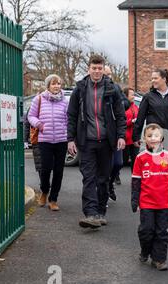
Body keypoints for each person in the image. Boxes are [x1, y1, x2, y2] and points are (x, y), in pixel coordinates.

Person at [67, 54, 126, 229]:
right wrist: (70, 139)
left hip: (107, 141)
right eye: (94, 68)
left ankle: (101, 212)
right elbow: (72, 115)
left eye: (100, 68)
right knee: (89, 177)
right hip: (87, 141)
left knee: (103, 178)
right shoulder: (80, 89)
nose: (97, 71)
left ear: (103, 69)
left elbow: (120, 115)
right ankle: (91, 213)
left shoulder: (112, 89)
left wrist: (121, 136)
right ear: (89, 69)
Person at [131, 123, 168, 271]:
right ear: (144, 138)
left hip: (164, 203)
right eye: (149, 136)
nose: (153, 138)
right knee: (146, 231)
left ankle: (159, 259)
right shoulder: (140, 158)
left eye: (156, 135)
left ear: (162, 138)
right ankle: (145, 251)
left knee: (162, 232)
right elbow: (136, 181)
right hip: (146, 203)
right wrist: (135, 200)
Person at [28, 74, 69, 211]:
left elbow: (69, 119)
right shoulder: (38, 99)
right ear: (48, 86)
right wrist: (39, 124)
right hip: (44, 140)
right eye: (53, 83)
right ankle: (44, 191)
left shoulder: (65, 101)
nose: (57, 86)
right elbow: (30, 116)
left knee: (59, 171)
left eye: (59, 83)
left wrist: (68, 133)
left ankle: (53, 199)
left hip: (61, 140)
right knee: (45, 169)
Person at [104, 66, 129, 200]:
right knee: (104, 165)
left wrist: (116, 103)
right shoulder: (96, 89)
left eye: (110, 74)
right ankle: (104, 188)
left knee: (118, 163)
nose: (109, 77)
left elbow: (126, 102)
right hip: (102, 133)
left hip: (115, 131)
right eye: (106, 74)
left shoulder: (116, 87)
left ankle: (110, 183)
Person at [123, 87, 140, 170]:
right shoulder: (122, 107)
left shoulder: (136, 107)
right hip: (125, 138)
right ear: (126, 96)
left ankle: (135, 178)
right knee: (123, 160)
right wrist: (131, 121)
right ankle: (115, 176)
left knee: (135, 159)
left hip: (134, 138)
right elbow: (120, 122)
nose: (134, 96)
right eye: (132, 95)